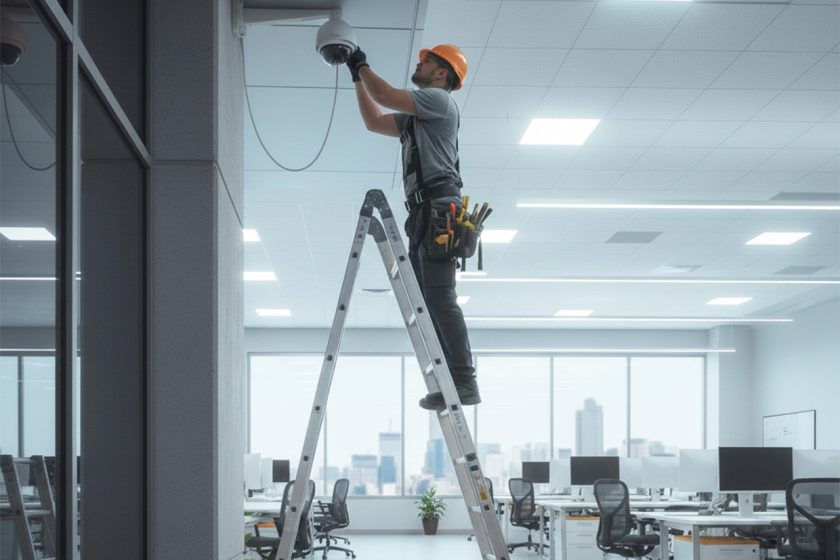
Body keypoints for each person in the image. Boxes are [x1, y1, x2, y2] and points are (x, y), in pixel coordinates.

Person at [346, 44, 479, 411]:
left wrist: (362, 64)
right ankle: (451, 383)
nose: (419, 65)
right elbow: (374, 120)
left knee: (440, 298)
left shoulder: (438, 100)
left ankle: (465, 382)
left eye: (426, 62)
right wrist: (357, 77)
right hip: (424, 212)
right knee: (428, 302)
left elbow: (385, 95)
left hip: (439, 209)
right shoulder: (417, 118)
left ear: (442, 73)